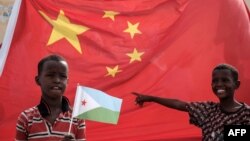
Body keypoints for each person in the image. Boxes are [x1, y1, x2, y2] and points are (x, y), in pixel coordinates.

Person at [133, 63, 250, 141]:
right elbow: (179, 104)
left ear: (236, 85)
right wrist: (151, 98)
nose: (219, 84)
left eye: (225, 80)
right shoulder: (207, 110)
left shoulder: (246, 114)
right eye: (215, 81)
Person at [15, 54, 86, 141]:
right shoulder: (26, 118)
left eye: (62, 76)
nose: (57, 80)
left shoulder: (76, 118)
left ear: (67, 81)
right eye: (50, 75)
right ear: (38, 80)